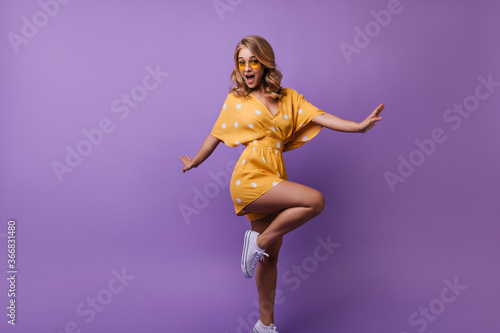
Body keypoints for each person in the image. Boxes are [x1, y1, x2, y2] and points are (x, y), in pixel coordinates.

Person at [179, 35, 384, 333]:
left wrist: (358, 127)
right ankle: (257, 243)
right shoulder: (238, 99)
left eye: (253, 61)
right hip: (249, 177)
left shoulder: (289, 97)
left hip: (275, 175)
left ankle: (265, 325)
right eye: (241, 62)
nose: (247, 68)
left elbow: (320, 116)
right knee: (315, 201)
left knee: (270, 259)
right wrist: (195, 161)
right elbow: (216, 133)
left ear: (265, 63)